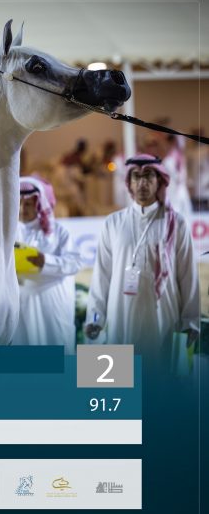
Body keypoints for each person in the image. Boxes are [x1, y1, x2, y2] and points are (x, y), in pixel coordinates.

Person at [85, 154, 199, 363]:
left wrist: (190, 323)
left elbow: (188, 277)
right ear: (129, 183)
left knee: (160, 375)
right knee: (120, 378)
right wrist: (95, 318)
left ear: (160, 181)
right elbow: (102, 276)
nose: (142, 183)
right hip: (121, 315)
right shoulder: (113, 223)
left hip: (163, 317)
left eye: (148, 176)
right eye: (136, 177)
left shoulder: (176, 223)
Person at [13, 176, 83, 353]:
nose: (22, 209)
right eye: (19, 203)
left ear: (39, 205)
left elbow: (75, 263)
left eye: (28, 204)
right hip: (21, 305)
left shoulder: (58, 232)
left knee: (56, 349)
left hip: (52, 304)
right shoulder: (9, 233)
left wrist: (46, 261)